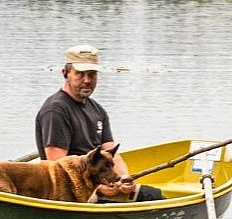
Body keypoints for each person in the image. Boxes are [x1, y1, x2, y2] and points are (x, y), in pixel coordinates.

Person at [35, 45, 162, 201]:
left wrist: (124, 179)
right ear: (65, 73)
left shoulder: (97, 109)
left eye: (92, 74)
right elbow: (57, 165)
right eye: (80, 74)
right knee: (152, 197)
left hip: (100, 179)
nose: (87, 81)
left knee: (150, 193)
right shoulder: (56, 109)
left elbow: (110, 152)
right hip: (73, 190)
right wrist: (101, 187)